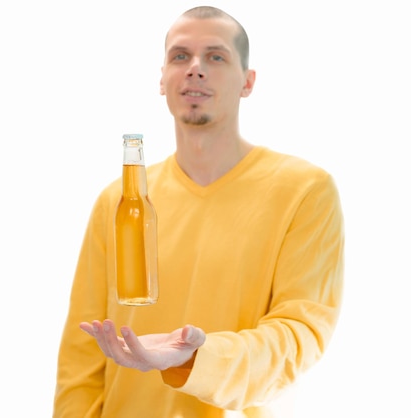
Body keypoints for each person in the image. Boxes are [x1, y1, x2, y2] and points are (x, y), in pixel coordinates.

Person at [53, 5, 344, 418]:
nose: (195, 68)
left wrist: (193, 358)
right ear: (162, 79)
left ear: (248, 81)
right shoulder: (119, 201)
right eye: (179, 56)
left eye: (216, 56)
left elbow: (298, 337)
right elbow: (81, 359)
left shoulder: (304, 191)